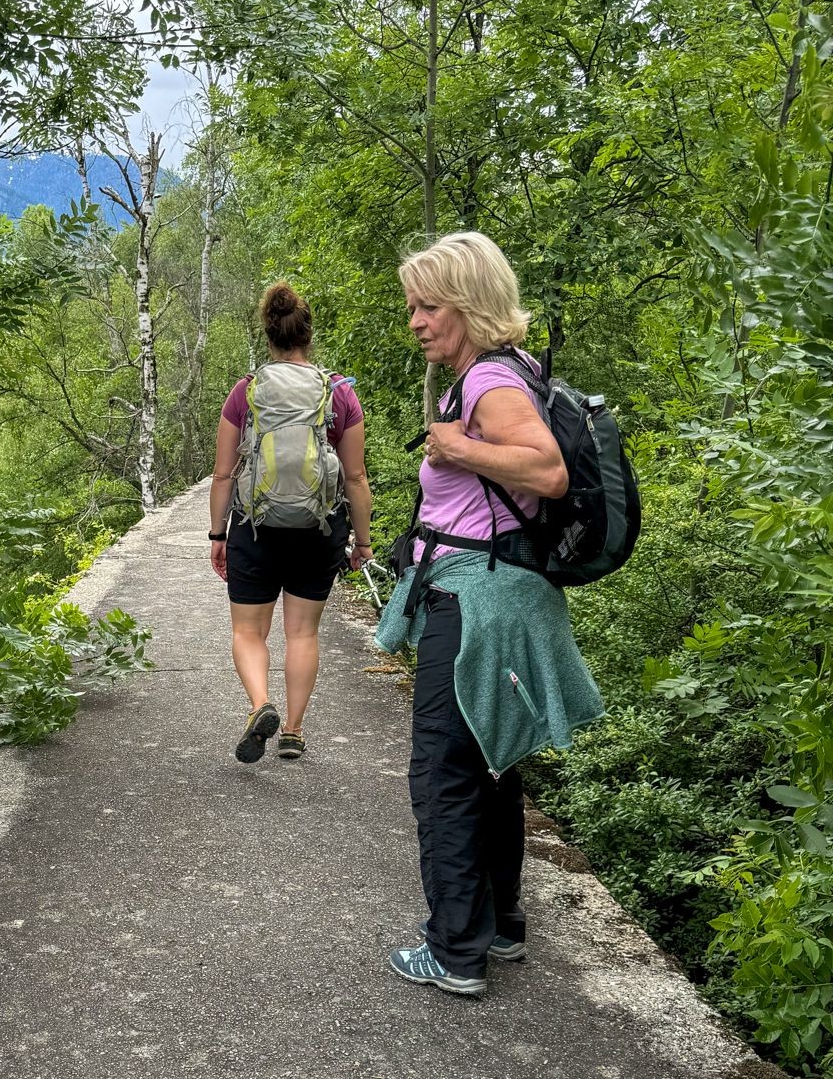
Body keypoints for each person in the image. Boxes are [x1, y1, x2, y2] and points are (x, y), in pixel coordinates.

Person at [375, 231, 604, 997]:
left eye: (428, 305)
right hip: (505, 592)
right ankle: (499, 926)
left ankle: (454, 950)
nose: (415, 320)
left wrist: (456, 448)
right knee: (490, 766)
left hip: (478, 598)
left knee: (442, 772)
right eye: (412, 305)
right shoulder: (510, 372)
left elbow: (545, 466)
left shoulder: (488, 384)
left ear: (469, 305)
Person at [208, 282, 374, 764]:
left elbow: (223, 472)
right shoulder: (338, 393)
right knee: (302, 633)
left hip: (255, 529)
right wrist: (362, 542)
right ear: (308, 333)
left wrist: (218, 534)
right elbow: (356, 476)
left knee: (248, 633)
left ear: (268, 334)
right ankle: (295, 731)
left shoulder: (246, 391)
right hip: (319, 530)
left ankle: (261, 705)